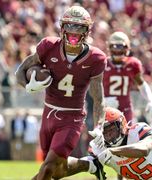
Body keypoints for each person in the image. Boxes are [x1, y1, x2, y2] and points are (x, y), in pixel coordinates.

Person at [15, 5, 107, 180]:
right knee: (56, 171)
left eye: (79, 26)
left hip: (72, 118)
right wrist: (28, 85)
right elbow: (20, 71)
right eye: (70, 25)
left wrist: (99, 126)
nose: (73, 31)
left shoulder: (96, 58)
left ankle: (89, 164)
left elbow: (98, 99)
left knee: (48, 168)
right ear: (62, 27)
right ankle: (90, 164)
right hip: (48, 113)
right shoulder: (49, 46)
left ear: (87, 30)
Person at [103, 31, 152, 124]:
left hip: (125, 109)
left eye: (120, 47)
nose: (117, 50)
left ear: (127, 48)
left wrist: (151, 101)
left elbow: (142, 84)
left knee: (128, 135)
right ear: (109, 47)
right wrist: (103, 101)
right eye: (115, 47)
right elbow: (93, 86)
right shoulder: (103, 63)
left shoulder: (132, 64)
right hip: (105, 108)